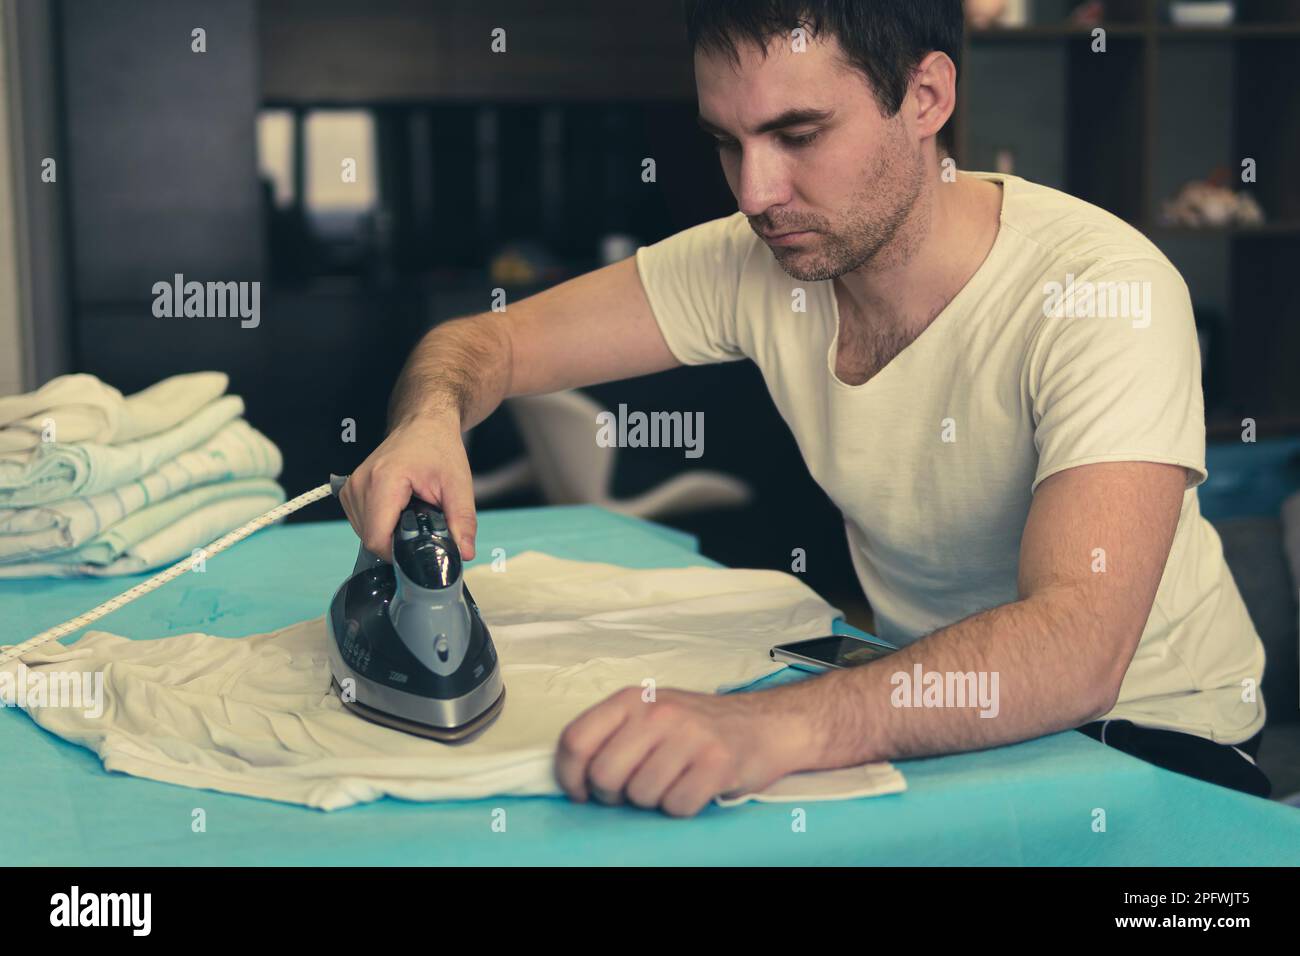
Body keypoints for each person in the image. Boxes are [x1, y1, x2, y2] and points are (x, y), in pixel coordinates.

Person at [339, 0, 1269, 815]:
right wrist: (430, 419)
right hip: (932, 718)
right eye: (726, 143)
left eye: (798, 134)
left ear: (926, 98)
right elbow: (484, 343)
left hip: (1149, 742)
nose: (755, 192)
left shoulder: (1102, 290)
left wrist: (767, 729)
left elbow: (1074, 648)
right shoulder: (762, 257)